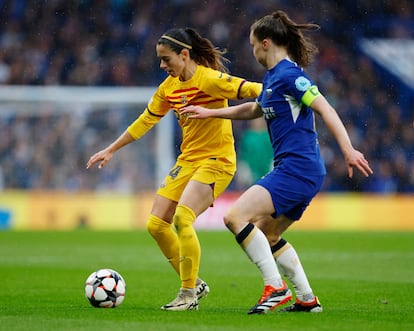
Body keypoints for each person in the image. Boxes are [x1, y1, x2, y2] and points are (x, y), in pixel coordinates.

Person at [181, 11, 373, 314]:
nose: (253, 51)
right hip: (302, 170)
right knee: (268, 233)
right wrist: (211, 113)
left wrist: (348, 149)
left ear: (266, 43)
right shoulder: (273, 79)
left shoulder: (290, 76)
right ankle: (307, 299)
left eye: (253, 44)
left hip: (297, 168)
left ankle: (275, 288)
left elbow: (325, 108)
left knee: (235, 218)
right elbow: (254, 110)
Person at [86, 27, 262, 311]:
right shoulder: (168, 88)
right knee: (156, 224)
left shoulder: (210, 79)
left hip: (217, 161)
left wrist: (278, 92)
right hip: (188, 161)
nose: (162, 65)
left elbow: (252, 88)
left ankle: (188, 295)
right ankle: (195, 283)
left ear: (184, 55)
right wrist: (111, 149)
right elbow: (145, 121)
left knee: (182, 217)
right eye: (160, 59)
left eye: (166, 59)